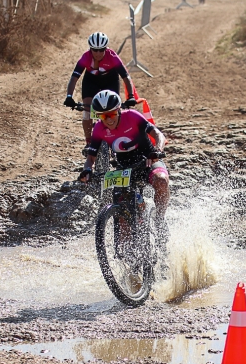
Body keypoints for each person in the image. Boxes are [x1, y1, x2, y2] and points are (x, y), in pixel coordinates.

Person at [78, 90, 170, 229]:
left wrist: (157, 151)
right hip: (124, 168)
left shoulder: (132, 116)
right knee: (123, 216)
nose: (108, 120)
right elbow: (91, 156)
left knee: (161, 181)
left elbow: (158, 134)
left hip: (148, 160)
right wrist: (87, 170)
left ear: (119, 109)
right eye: (103, 116)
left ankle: (159, 220)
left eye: (112, 114)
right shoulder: (99, 128)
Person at [64, 32, 137, 147]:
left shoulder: (112, 56)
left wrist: (131, 96)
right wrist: (69, 96)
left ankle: (116, 137)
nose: (98, 53)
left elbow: (125, 77)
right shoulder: (86, 57)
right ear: (90, 49)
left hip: (110, 80)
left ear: (106, 48)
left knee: (114, 110)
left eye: (101, 50)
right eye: (95, 50)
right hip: (91, 81)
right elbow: (74, 78)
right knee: (87, 111)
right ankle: (89, 142)